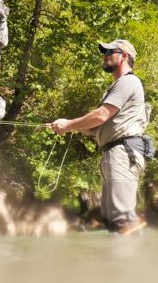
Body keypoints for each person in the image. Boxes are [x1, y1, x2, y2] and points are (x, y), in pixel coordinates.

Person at [49, 39, 148, 235]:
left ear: (125, 57)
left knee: (123, 222)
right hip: (116, 153)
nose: (105, 55)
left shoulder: (128, 82)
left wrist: (68, 124)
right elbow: (96, 128)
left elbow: (101, 115)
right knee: (116, 222)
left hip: (122, 152)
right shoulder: (118, 86)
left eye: (111, 51)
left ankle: (133, 263)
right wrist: (67, 126)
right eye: (105, 52)